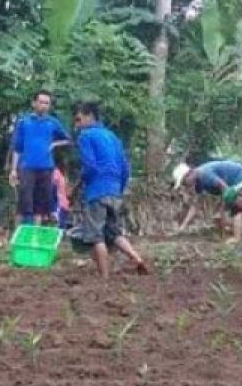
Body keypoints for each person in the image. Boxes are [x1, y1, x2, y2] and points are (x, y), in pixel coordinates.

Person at [72, 102, 149, 279]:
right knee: (113, 233)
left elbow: (89, 167)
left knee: (95, 236)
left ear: (89, 116)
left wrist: (77, 188)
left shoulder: (86, 135)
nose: (77, 124)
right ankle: (137, 259)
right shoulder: (112, 137)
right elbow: (125, 168)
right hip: (115, 191)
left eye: (78, 119)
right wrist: (119, 190)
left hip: (96, 191)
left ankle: (104, 277)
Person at [8, 90, 70, 226]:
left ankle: (35, 237)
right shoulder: (24, 122)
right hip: (27, 168)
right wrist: (13, 170)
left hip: (47, 168)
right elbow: (17, 148)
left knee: (40, 206)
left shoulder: (53, 122)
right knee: (24, 203)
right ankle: (15, 236)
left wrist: (54, 143)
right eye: (41, 102)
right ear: (34, 103)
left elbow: (68, 139)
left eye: (47, 103)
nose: (44, 105)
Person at [174, 160, 242, 242]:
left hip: (241, 177)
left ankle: (237, 238)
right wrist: (183, 226)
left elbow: (225, 189)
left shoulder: (205, 175)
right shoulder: (198, 182)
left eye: (183, 182)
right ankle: (228, 231)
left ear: (188, 174)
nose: (184, 185)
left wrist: (223, 209)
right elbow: (196, 205)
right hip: (230, 184)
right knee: (218, 217)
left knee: (235, 206)